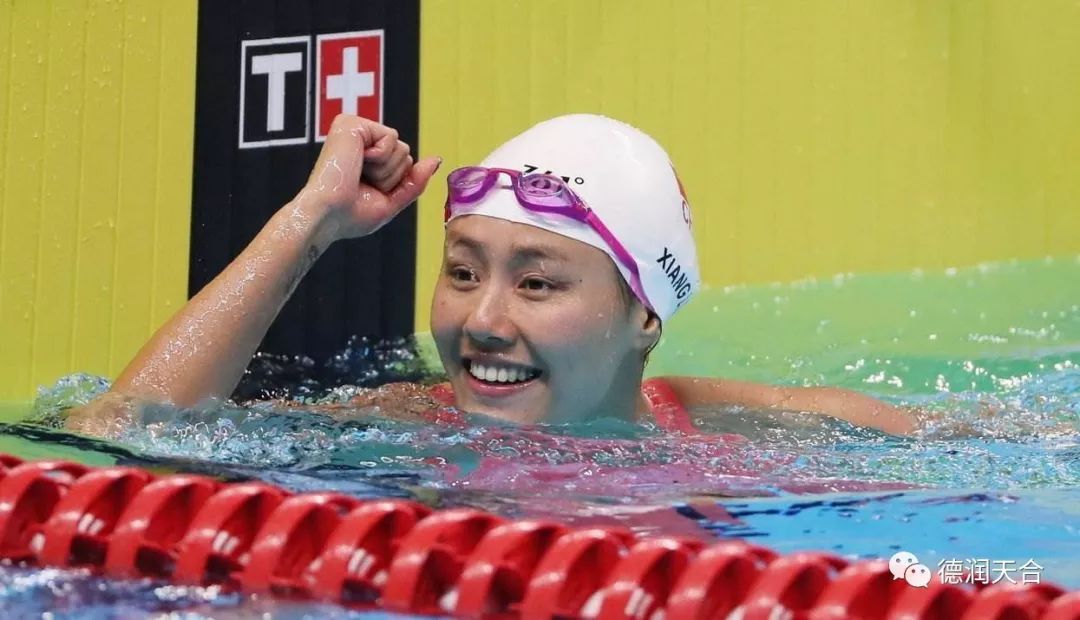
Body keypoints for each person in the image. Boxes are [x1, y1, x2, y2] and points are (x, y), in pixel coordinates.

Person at [67, 113, 915, 437]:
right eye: (464, 272)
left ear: (645, 314)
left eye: (537, 283)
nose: (481, 321)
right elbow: (117, 429)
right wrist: (309, 225)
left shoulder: (744, 432)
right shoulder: (398, 429)